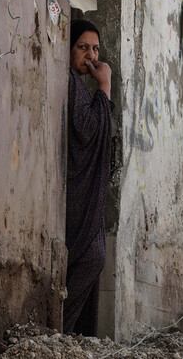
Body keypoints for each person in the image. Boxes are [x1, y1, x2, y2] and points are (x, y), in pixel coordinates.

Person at [64, 19, 113, 335]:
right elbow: (87, 129)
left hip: (83, 192)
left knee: (93, 257)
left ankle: (68, 333)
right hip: (73, 192)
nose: (91, 56)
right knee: (92, 256)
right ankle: (59, 329)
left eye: (95, 49)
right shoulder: (69, 83)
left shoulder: (78, 84)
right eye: (82, 48)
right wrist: (105, 88)